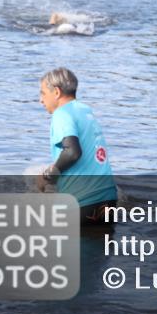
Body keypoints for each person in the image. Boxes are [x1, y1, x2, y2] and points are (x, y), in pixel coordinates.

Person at [36, 67, 117, 224]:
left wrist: (48, 176)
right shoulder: (85, 111)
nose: (41, 100)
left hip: (83, 203)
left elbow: (72, 152)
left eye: (43, 93)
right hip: (109, 199)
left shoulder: (62, 114)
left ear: (57, 92)